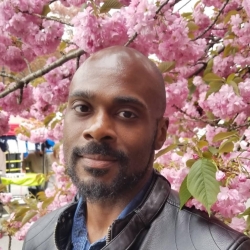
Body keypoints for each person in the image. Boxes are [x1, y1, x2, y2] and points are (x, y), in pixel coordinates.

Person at [22, 46, 250, 250]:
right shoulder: (38, 238)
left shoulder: (219, 246)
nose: (98, 129)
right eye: (82, 108)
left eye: (126, 114)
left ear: (160, 133)